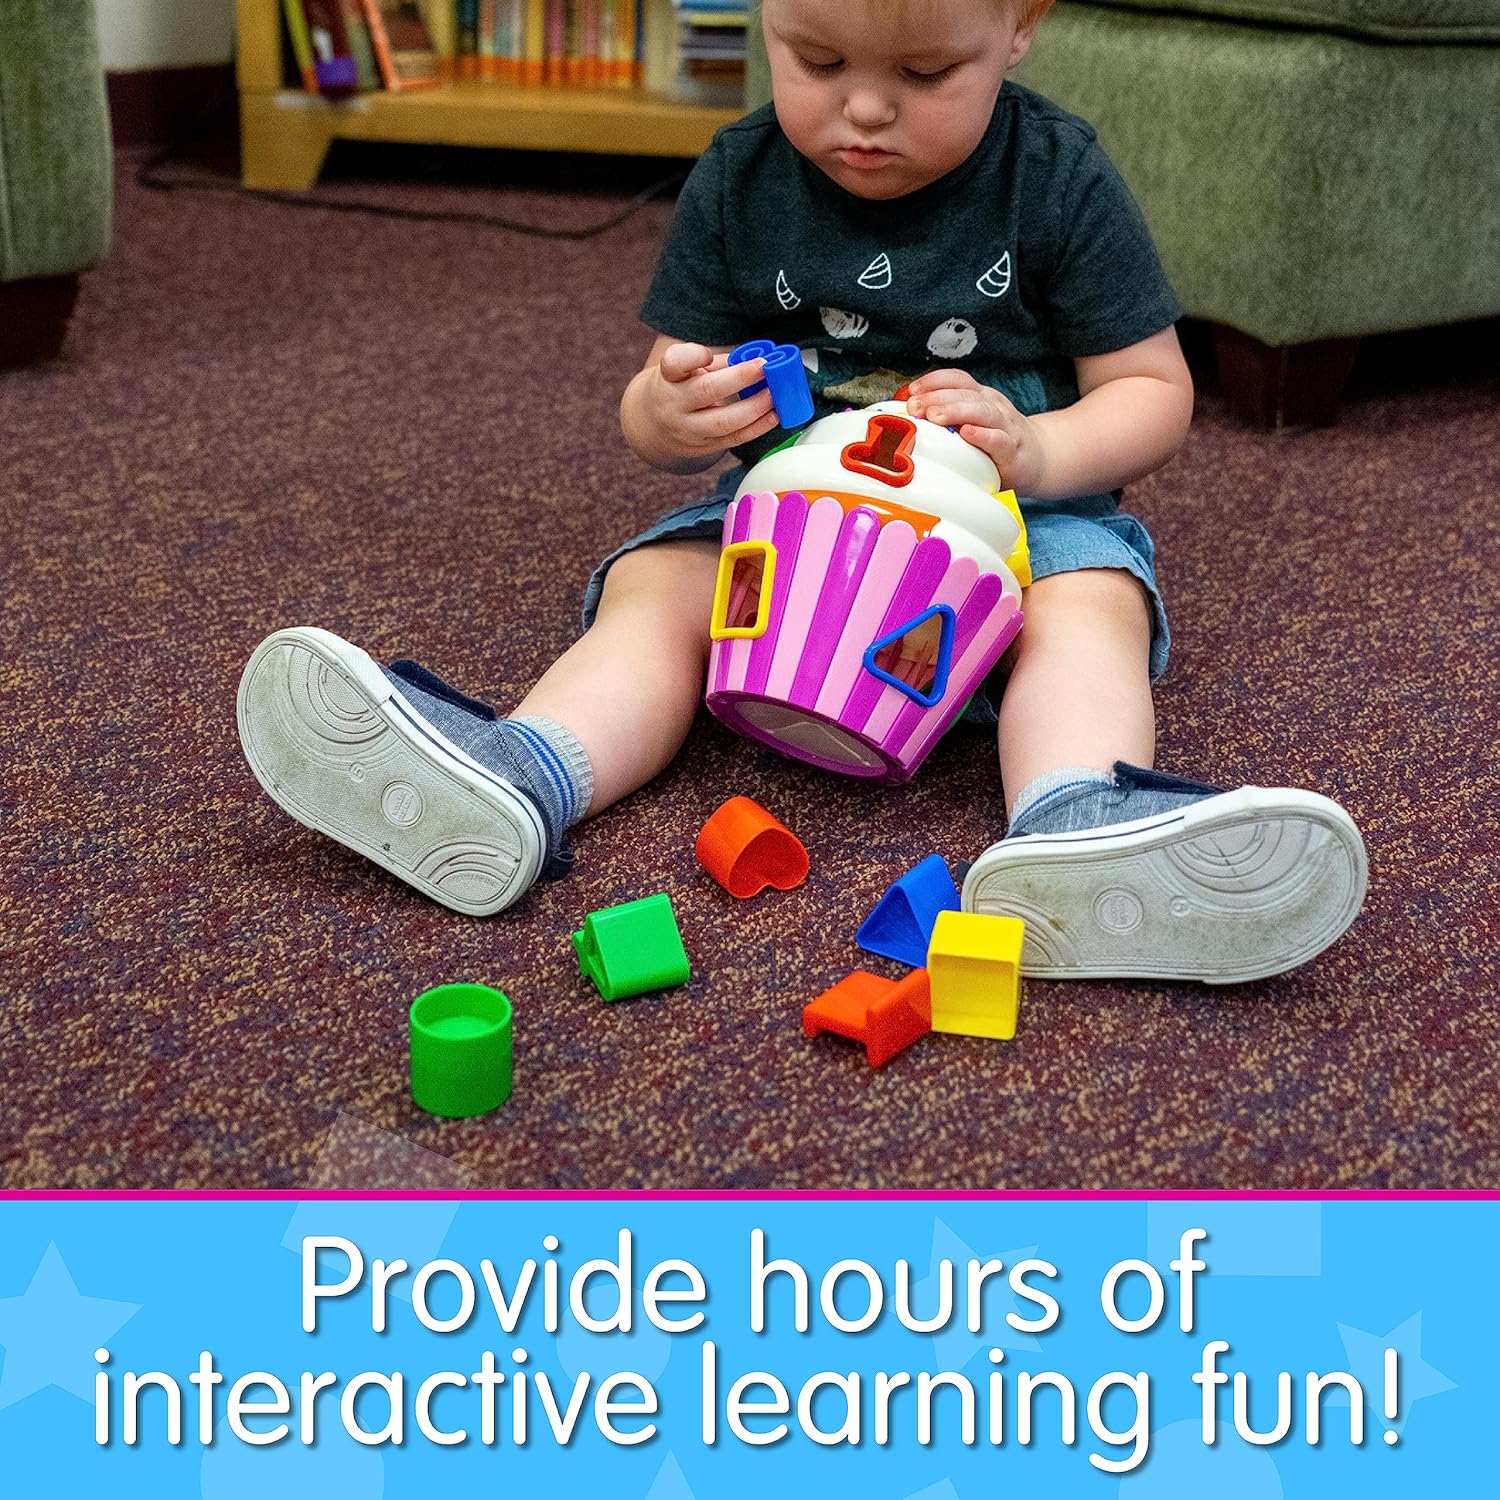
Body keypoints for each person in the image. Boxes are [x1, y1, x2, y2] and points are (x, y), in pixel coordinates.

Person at [238, 0, 1367, 983]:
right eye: (815, 61)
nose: (863, 111)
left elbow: (1151, 391)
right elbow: (663, 391)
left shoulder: (1058, 176)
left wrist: (1036, 450)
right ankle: (524, 774)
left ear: (1020, 27)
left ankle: (1073, 822)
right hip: (790, 550)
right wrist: (666, 414)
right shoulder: (741, 176)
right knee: (657, 581)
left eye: (924, 76)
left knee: (1091, 606)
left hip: (1016, 536)